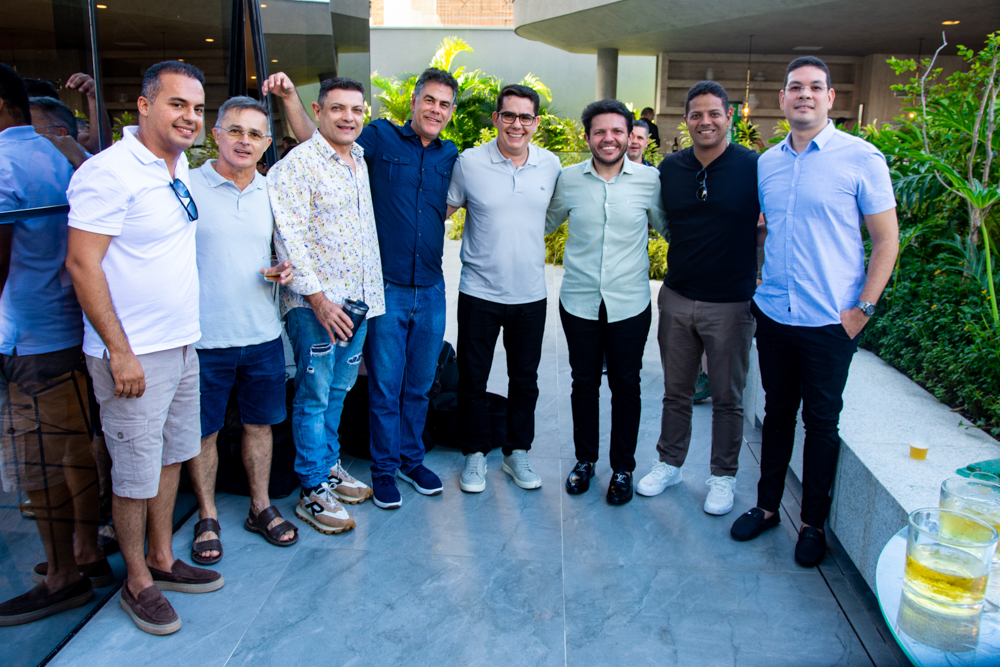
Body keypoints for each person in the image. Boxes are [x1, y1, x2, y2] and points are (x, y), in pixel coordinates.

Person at [65, 61, 224, 636]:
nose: (189, 117)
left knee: (170, 459)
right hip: (133, 356)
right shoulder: (110, 172)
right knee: (133, 474)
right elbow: (82, 264)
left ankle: (161, 557)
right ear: (144, 105)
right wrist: (119, 351)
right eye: (177, 104)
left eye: (197, 108)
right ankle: (137, 581)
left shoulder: (176, 170)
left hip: (181, 346)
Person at [264, 67, 460, 509]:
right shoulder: (376, 140)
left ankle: (399, 461)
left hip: (405, 290)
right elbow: (316, 141)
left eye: (445, 104)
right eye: (429, 100)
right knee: (372, 388)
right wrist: (290, 97)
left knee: (400, 385)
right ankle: (370, 471)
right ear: (413, 102)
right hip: (368, 293)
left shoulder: (442, 154)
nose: (436, 109)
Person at [730, 57, 898, 568]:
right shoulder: (767, 163)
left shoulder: (861, 157)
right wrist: (757, 274)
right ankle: (766, 508)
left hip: (830, 321)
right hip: (776, 315)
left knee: (822, 423)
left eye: (815, 87)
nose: (805, 94)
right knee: (777, 413)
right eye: (795, 87)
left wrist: (862, 310)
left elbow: (886, 240)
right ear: (782, 99)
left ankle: (812, 524)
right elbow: (764, 228)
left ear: (830, 98)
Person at [0, 62, 107, 627]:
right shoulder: (61, 156)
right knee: (75, 449)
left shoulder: (4, 161)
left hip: (28, 336)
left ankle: (63, 574)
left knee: (38, 461)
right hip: (69, 326)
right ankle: (85, 551)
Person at [636, 81, 760, 516]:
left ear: (729, 117)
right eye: (696, 115)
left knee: (727, 397)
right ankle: (669, 463)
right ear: (685, 120)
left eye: (713, 114)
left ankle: (723, 476)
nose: (705, 122)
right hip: (677, 295)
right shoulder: (671, 167)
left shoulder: (753, 166)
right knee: (676, 391)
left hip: (731, 303)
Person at [185, 95, 298, 564]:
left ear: (267, 143)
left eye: (254, 134)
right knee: (203, 433)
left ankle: (260, 506)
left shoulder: (272, 192)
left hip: (262, 334)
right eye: (235, 130)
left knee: (260, 426)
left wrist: (283, 268)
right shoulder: (187, 185)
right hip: (202, 338)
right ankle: (207, 515)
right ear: (215, 134)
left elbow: (282, 250)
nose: (244, 141)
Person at [268, 77, 384, 532]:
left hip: (358, 304)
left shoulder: (358, 159)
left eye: (356, 109)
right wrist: (317, 301)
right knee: (314, 395)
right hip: (317, 307)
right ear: (317, 112)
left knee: (339, 390)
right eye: (337, 108)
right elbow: (288, 236)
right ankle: (312, 488)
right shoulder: (298, 165)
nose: (348, 117)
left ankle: (329, 466)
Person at [546, 99, 666, 505]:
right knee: (583, 383)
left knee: (626, 385)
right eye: (600, 131)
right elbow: (544, 222)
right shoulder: (568, 180)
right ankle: (585, 461)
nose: (608, 138)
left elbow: (671, 228)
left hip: (629, 303)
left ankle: (623, 468)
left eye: (617, 131)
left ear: (631, 136)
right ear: (587, 137)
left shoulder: (650, 180)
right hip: (579, 301)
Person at [445, 84, 561, 493]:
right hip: (479, 292)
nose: (517, 124)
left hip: (530, 294)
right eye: (508, 115)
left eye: (525, 117)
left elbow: (552, 215)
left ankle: (517, 452)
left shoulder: (550, 165)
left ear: (536, 123)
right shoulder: (469, 163)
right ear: (495, 119)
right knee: (472, 379)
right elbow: (442, 210)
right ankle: (475, 454)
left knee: (525, 379)